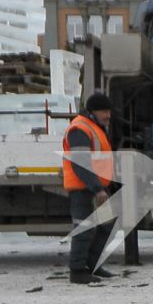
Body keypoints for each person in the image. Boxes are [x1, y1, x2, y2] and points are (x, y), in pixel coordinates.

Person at [61, 92, 118, 285]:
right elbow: (81, 163)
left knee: (106, 225)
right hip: (84, 188)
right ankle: (77, 271)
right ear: (93, 111)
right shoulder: (80, 128)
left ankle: (92, 265)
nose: (108, 115)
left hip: (96, 187)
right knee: (84, 229)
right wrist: (97, 189)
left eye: (109, 110)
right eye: (104, 111)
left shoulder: (95, 127)